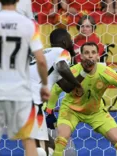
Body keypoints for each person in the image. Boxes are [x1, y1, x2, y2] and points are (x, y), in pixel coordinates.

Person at [0, 0, 50, 156]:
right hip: (20, 91)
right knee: (28, 139)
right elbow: (41, 61)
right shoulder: (29, 25)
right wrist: (44, 85)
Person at [46, 42, 117, 156]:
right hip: (71, 110)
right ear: (81, 56)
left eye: (93, 52)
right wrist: (50, 111)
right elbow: (55, 90)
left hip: (95, 112)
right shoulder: (73, 71)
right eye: (86, 53)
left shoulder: (105, 72)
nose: (90, 55)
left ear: (98, 56)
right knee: (61, 141)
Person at [29, 28, 83, 156]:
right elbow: (62, 67)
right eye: (70, 40)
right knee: (40, 148)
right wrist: (78, 85)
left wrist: (83, 74)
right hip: (31, 100)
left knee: (49, 145)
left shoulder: (45, 54)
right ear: (65, 41)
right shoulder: (62, 52)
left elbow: (66, 87)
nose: (72, 42)